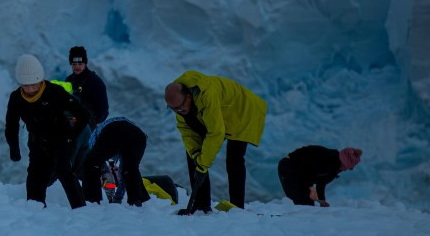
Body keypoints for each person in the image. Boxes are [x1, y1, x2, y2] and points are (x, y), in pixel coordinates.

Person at [164, 71, 267, 214]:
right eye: (172, 109)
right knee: (194, 155)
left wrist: (202, 165)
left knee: (234, 158)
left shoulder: (206, 96)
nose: (177, 112)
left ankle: (237, 208)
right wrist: (196, 156)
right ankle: (201, 205)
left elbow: (215, 133)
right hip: (219, 113)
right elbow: (187, 132)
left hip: (242, 111)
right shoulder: (180, 104)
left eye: (179, 108)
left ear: (188, 97)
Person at [5, 54, 92, 208]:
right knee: (34, 179)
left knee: (64, 172)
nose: (30, 89)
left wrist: (71, 137)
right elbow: (11, 126)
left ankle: (81, 211)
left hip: (60, 140)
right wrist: (14, 149)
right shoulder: (16, 98)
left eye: (34, 84)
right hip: (37, 143)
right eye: (26, 85)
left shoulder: (54, 92)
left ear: (40, 80)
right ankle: (37, 213)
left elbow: (83, 115)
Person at [80, 117, 150, 207]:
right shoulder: (119, 146)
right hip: (139, 135)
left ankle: (91, 201)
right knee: (130, 170)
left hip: (114, 130)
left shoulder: (94, 138)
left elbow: (96, 162)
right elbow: (123, 172)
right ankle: (137, 202)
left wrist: (116, 199)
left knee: (91, 163)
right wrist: (117, 199)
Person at [278, 146, 362, 207]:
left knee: (308, 205)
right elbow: (307, 171)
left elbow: (321, 183)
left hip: (301, 175)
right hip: (289, 167)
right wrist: (311, 188)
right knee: (302, 204)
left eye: (349, 168)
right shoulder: (326, 158)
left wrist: (322, 201)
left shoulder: (335, 167)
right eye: (347, 167)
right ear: (343, 162)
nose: (346, 170)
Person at [64, 46, 109, 124]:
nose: (77, 67)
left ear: (85, 63)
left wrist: (94, 125)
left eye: (80, 64)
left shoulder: (95, 81)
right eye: (74, 64)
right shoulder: (69, 80)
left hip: (89, 126)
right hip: (73, 124)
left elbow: (103, 109)